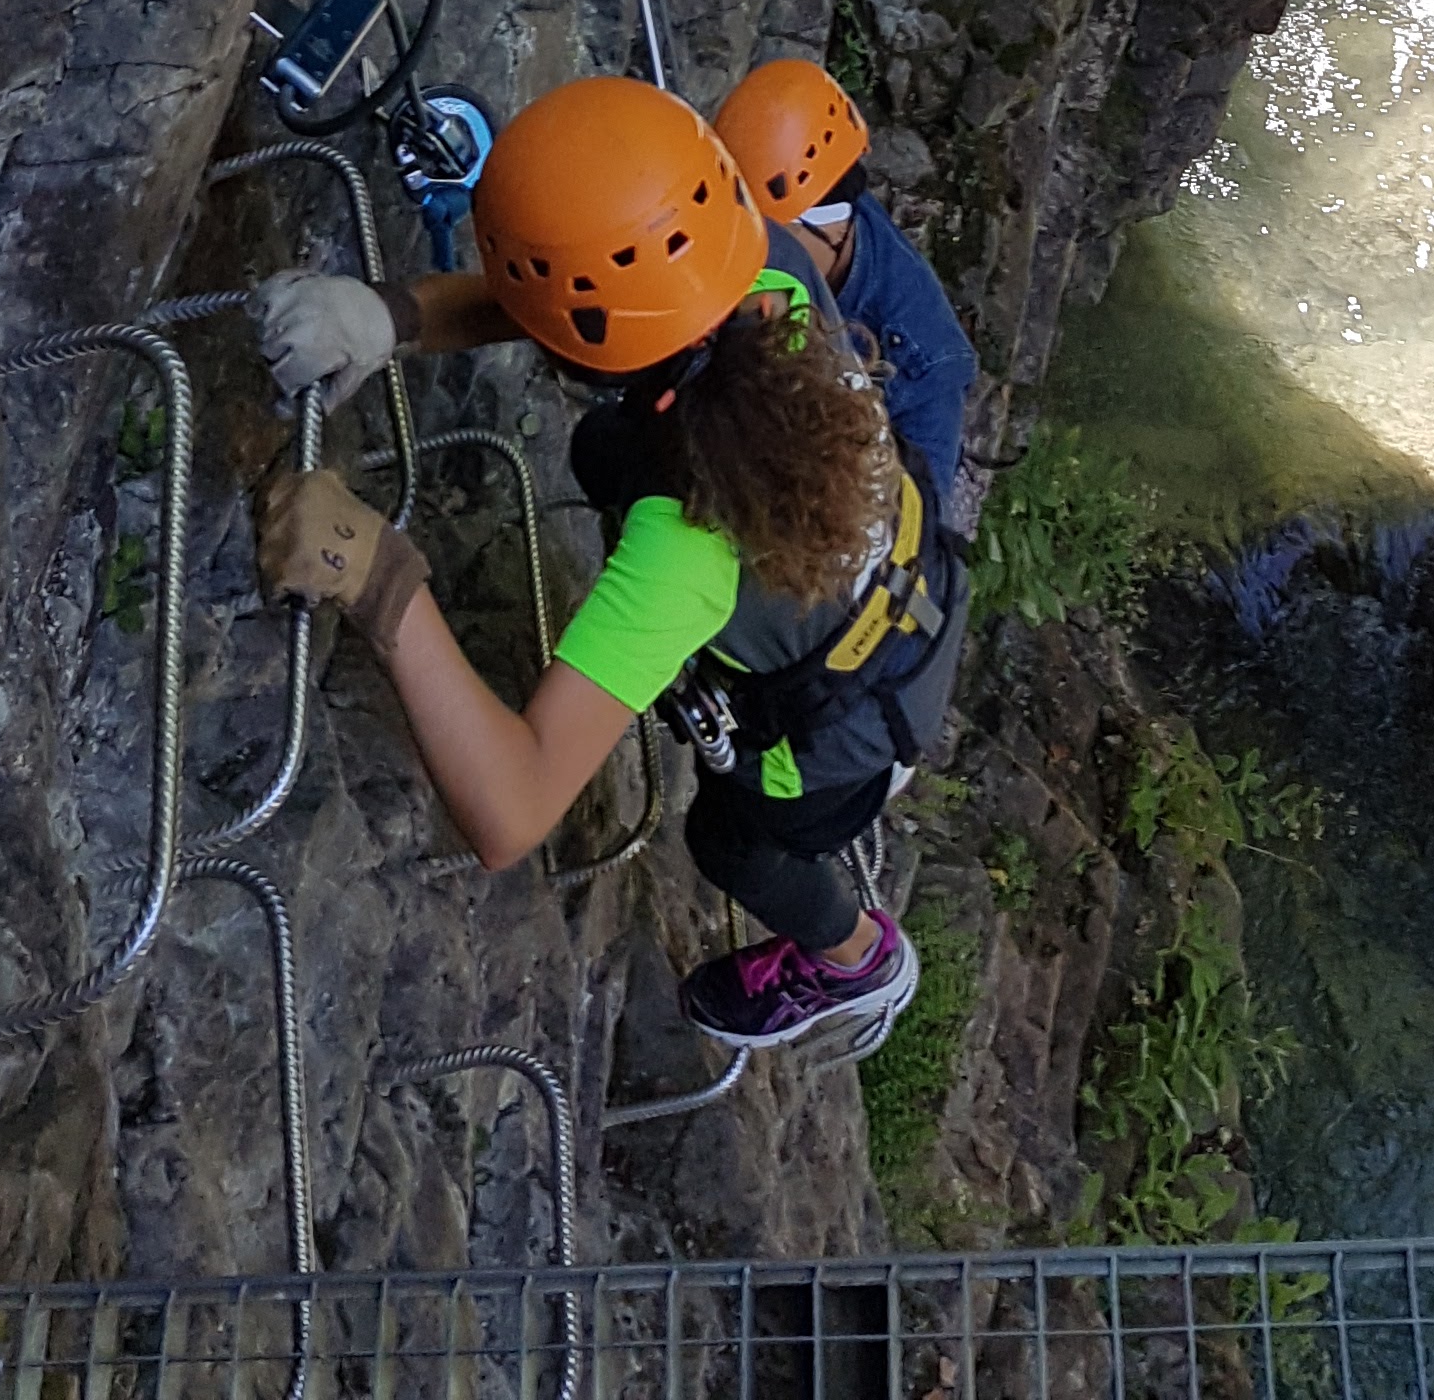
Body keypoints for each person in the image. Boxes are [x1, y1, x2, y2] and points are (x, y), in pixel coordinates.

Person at [252, 76, 968, 1053]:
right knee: (607, 449)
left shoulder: (685, 550)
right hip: (906, 590)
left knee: (732, 842)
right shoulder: (769, 261)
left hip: (841, 736)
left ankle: (857, 964)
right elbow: (612, 299)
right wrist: (393, 315)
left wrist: (377, 576)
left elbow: (512, 810)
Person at [714, 57, 976, 510]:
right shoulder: (814, 196)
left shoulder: (924, 368)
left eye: (772, 239)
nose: (753, 258)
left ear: (831, 231)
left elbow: (920, 525)